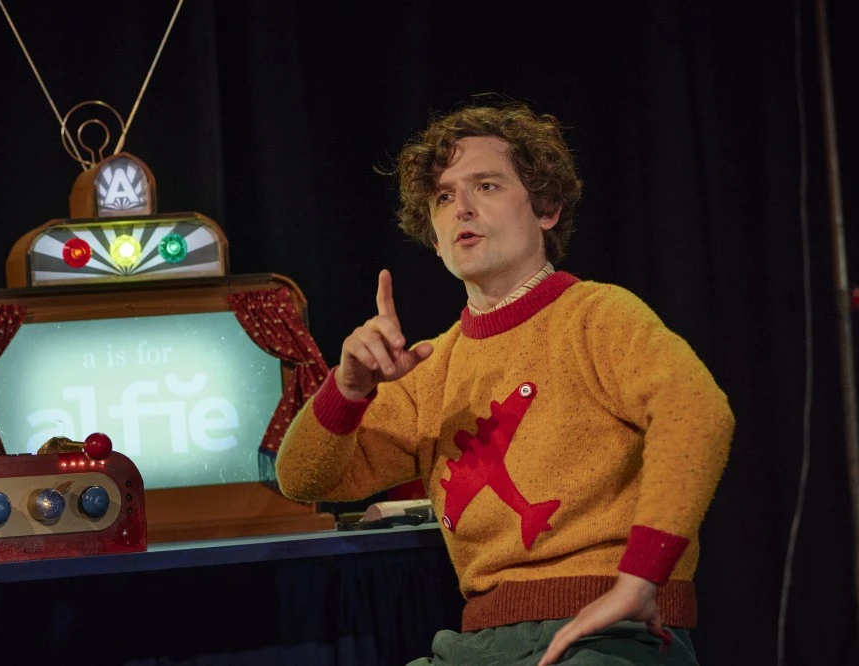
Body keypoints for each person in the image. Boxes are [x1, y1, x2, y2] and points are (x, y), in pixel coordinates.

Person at [275, 100, 734, 665]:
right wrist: (346, 391)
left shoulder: (597, 315)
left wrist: (641, 579)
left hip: (613, 635)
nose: (461, 207)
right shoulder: (431, 365)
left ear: (545, 209)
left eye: (486, 186)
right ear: (435, 238)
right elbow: (302, 478)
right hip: (479, 645)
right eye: (443, 196)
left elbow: (697, 412)